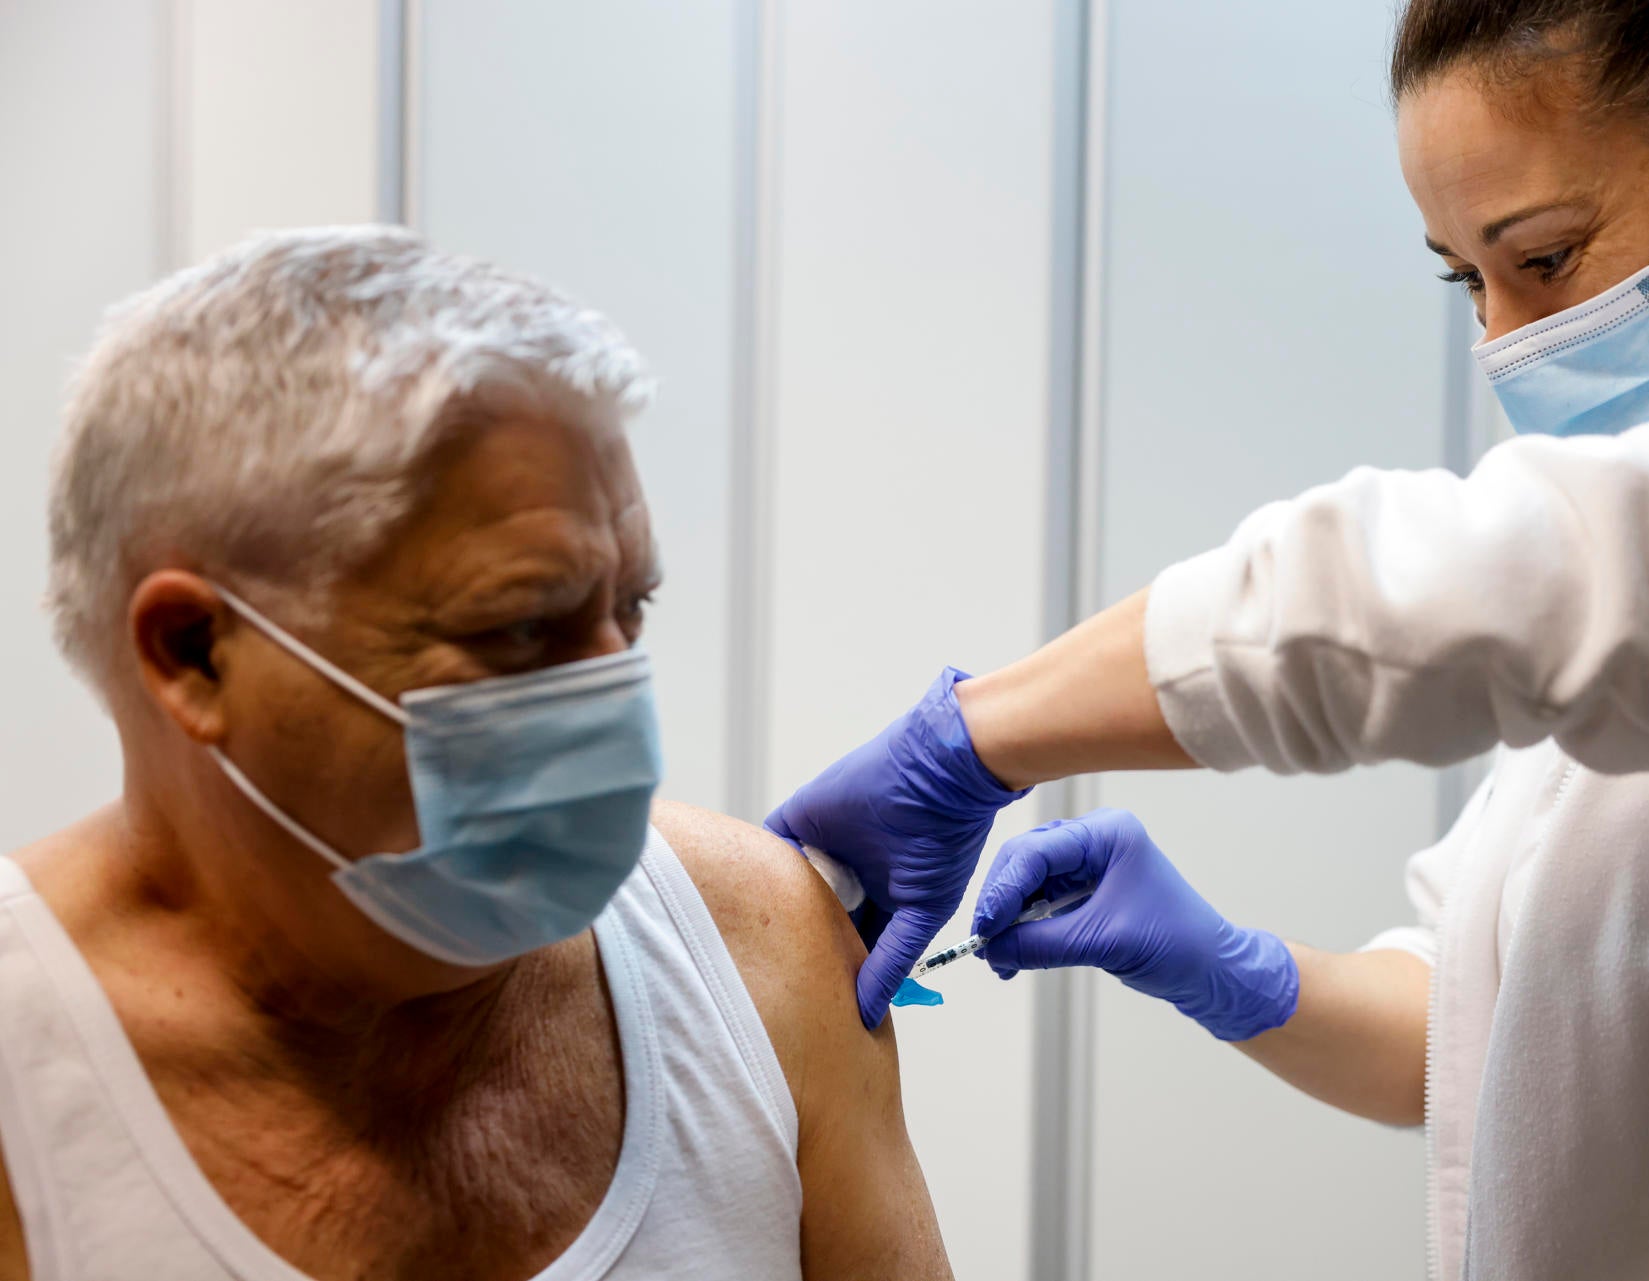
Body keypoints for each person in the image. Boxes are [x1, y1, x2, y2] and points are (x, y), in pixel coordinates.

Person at [766, 2, 1649, 1275]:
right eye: (1463, 277)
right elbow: (1478, 1030)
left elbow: (1451, 586)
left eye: (1543, 260)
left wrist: (980, 737)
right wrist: (1233, 970)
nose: (1503, 341)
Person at [0, 229, 950, 1281]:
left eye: (628, 610)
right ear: (195, 653)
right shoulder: (29, 1079)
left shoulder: (753, 943)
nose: (613, 703)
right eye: (517, 628)